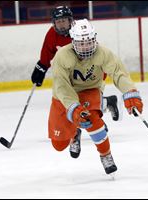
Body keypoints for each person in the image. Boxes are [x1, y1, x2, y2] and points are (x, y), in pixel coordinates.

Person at [48, 19, 143, 175]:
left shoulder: (103, 53)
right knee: (58, 145)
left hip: (90, 91)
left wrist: (130, 92)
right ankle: (75, 130)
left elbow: (118, 72)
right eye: (81, 43)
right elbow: (62, 87)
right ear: (73, 41)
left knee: (91, 119)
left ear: (95, 38)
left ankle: (106, 154)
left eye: (90, 42)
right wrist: (74, 108)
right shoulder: (62, 56)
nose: (86, 47)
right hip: (63, 98)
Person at [30, 6, 122, 159]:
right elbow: (47, 53)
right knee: (71, 104)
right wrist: (41, 67)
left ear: (70, 20)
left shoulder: (80, 32)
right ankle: (106, 103)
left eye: (64, 21)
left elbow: (94, 53)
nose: (61, 25)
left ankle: (79, 132)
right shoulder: (52, 34)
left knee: (82, 105)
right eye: (58, 22)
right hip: (69, 78)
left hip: (88, 77)